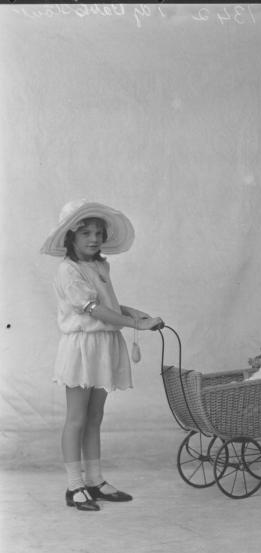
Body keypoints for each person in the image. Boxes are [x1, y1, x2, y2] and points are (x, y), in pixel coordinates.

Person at [41, 199, 164, 512]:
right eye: (86, 234)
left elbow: (108, 305)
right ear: (70, 238)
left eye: (98, 233)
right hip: (82, 348)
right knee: (77, 418)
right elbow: (94, 310)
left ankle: (94, 479)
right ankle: (74, 485)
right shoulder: (68, 271)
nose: (94, 239)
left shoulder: (100, 266)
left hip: (103, 346)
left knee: (95, 417)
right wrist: (134, 323)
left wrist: (136, 314)